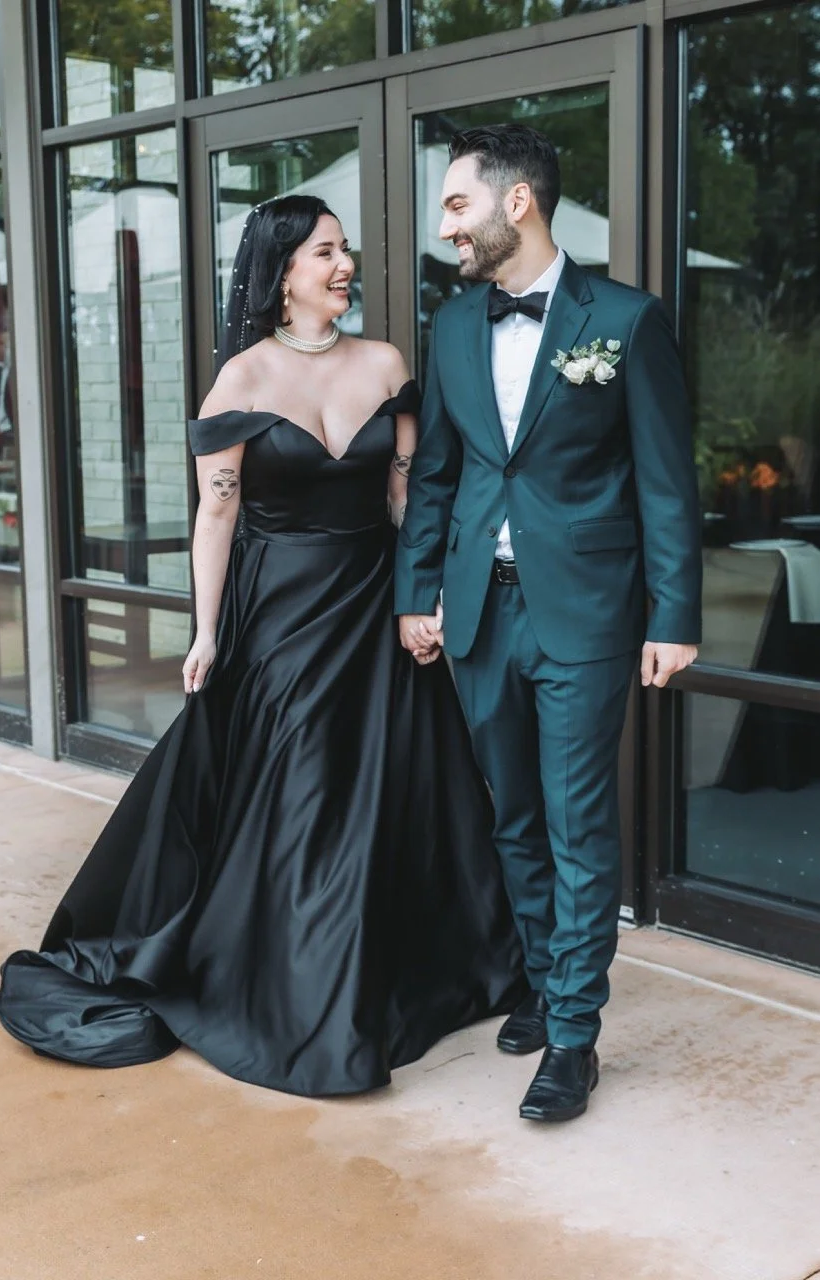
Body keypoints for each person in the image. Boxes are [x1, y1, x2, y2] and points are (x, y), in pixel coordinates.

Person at [0, 195, 526, 1097]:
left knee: (382, 791)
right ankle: (302, 986)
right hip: (277, 616)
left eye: (345, 250)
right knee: (307, 787)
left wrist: (423, 596)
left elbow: (408, 502)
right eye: (325, 253)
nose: (343, 264)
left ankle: (364, 975)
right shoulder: (239, 380)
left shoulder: (386, 362)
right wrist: (204, 632)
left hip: (373, 608)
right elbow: (217, 514)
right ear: (283, 272)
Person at [396, 125, 702, 1122]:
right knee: (513, 820)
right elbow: (437, 475)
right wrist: (415, 592)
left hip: (586, 615)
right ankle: (537, 977)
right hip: (480, 614)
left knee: (577, 827)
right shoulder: (448, 328)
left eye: (454, 205)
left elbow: (664, 479)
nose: (444, 224)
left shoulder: (622, 318)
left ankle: (572, 1033)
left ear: (514, 202)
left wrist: (675, 612)